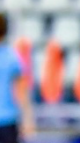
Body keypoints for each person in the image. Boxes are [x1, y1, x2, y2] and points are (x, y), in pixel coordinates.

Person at [0, 13, 35, 143]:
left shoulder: (12, 57)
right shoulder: (12, 57)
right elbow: (22, 91)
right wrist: (28, 119)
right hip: (8, 120)